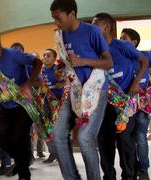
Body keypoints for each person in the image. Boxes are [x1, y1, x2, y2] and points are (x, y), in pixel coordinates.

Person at [50, 0, 113, 179]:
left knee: (85, 138)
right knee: (58, 134)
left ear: (72, 14)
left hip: (95, 91)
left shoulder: (91, 31)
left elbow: (108, 62)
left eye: (58, 18)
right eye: (54, 18)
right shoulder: (60, 34)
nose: (56, 22)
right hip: (73, 91)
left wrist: (82, 61)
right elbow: (65, 63)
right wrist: (60, 72)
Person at [92, 13, 149, 180]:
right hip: (102, 103)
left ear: (106, 27)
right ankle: (109, 176)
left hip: (125, 102)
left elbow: (144, 61)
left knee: (124, 138)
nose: (91, 30)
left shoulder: (122, 46)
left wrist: (135, 83)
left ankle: (129, 175)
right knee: (104, 141)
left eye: (95, 26)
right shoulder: (93, 49)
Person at [0, 29, 42, 180]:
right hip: (6, 104)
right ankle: (22, 161)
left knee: (17, 138)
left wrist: (28, 84)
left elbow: (37, 62)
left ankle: (23, 174)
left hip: (23, 104)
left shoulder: (13, 55)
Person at [120, 28, 151, 180]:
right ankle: (133, 166)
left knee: (140, 136)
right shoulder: (120, 57)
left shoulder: (146, 55)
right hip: (125, 105)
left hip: (143, 104)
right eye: (120, 38)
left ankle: (144, 169)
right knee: (127, 138)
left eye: (124, 38)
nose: (121, 40)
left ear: (134, 42)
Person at [40, 48, 63, 163]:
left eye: (48, 55)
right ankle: (52, 152)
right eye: (44, 55)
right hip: (47, 100)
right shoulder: (41, 71)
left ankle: (61, 154)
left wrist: (62, 83)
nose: (45, 57)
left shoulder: (58, 68)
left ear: (54, 58)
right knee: (45, 126)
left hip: (60, 101)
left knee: (57, 127)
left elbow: (70, 79)